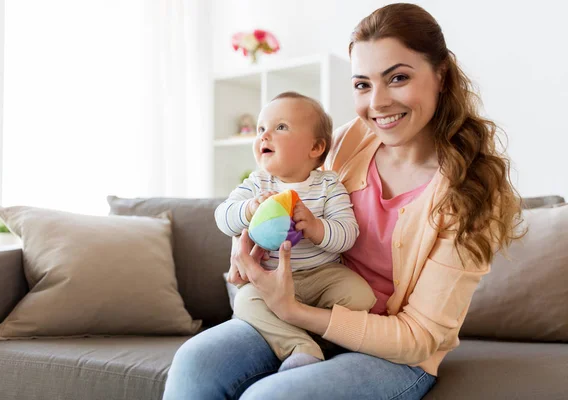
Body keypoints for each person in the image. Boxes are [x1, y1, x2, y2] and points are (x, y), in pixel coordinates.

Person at [162, 3, 523, 400]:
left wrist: (294, 312)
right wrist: (243, 235)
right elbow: (284, 186)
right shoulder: (353, 138)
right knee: (196, 362)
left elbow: (420, 336)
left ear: (441, 75)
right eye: (362, 85)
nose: (378, 103)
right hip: (308, 300)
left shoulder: (474, 190)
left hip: (394, 352)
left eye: (398, 77)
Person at [214, 91, 376, 372]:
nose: (264, 136)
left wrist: (315, 227)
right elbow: (222, 218)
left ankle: (320, 336)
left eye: (280, 127)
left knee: (361, 295)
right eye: (261, 129)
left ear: (315, 148)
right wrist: (248, 210)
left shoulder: (328, 185)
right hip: (269, 279)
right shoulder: (256, 184)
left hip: (323, 275)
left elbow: (348, 234)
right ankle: (301, 347)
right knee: (245, 302)